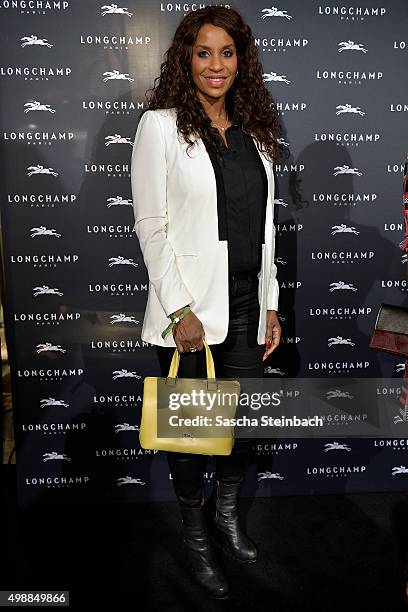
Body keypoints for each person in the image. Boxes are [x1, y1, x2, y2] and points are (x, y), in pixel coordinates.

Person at [131, 6, 281, 599]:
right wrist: (178, 308)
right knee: (192, 441)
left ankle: (225, 519)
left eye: (227, 52)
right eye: (203, 52)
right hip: (190, 311)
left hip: (247, 307)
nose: (216, 65)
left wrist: (270, 304)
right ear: (185, 59)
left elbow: (265, 230)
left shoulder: (255, 134)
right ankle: (197, 543)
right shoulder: (161, 126)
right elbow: (151, 225)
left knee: (241, 431)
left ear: (240, 60)